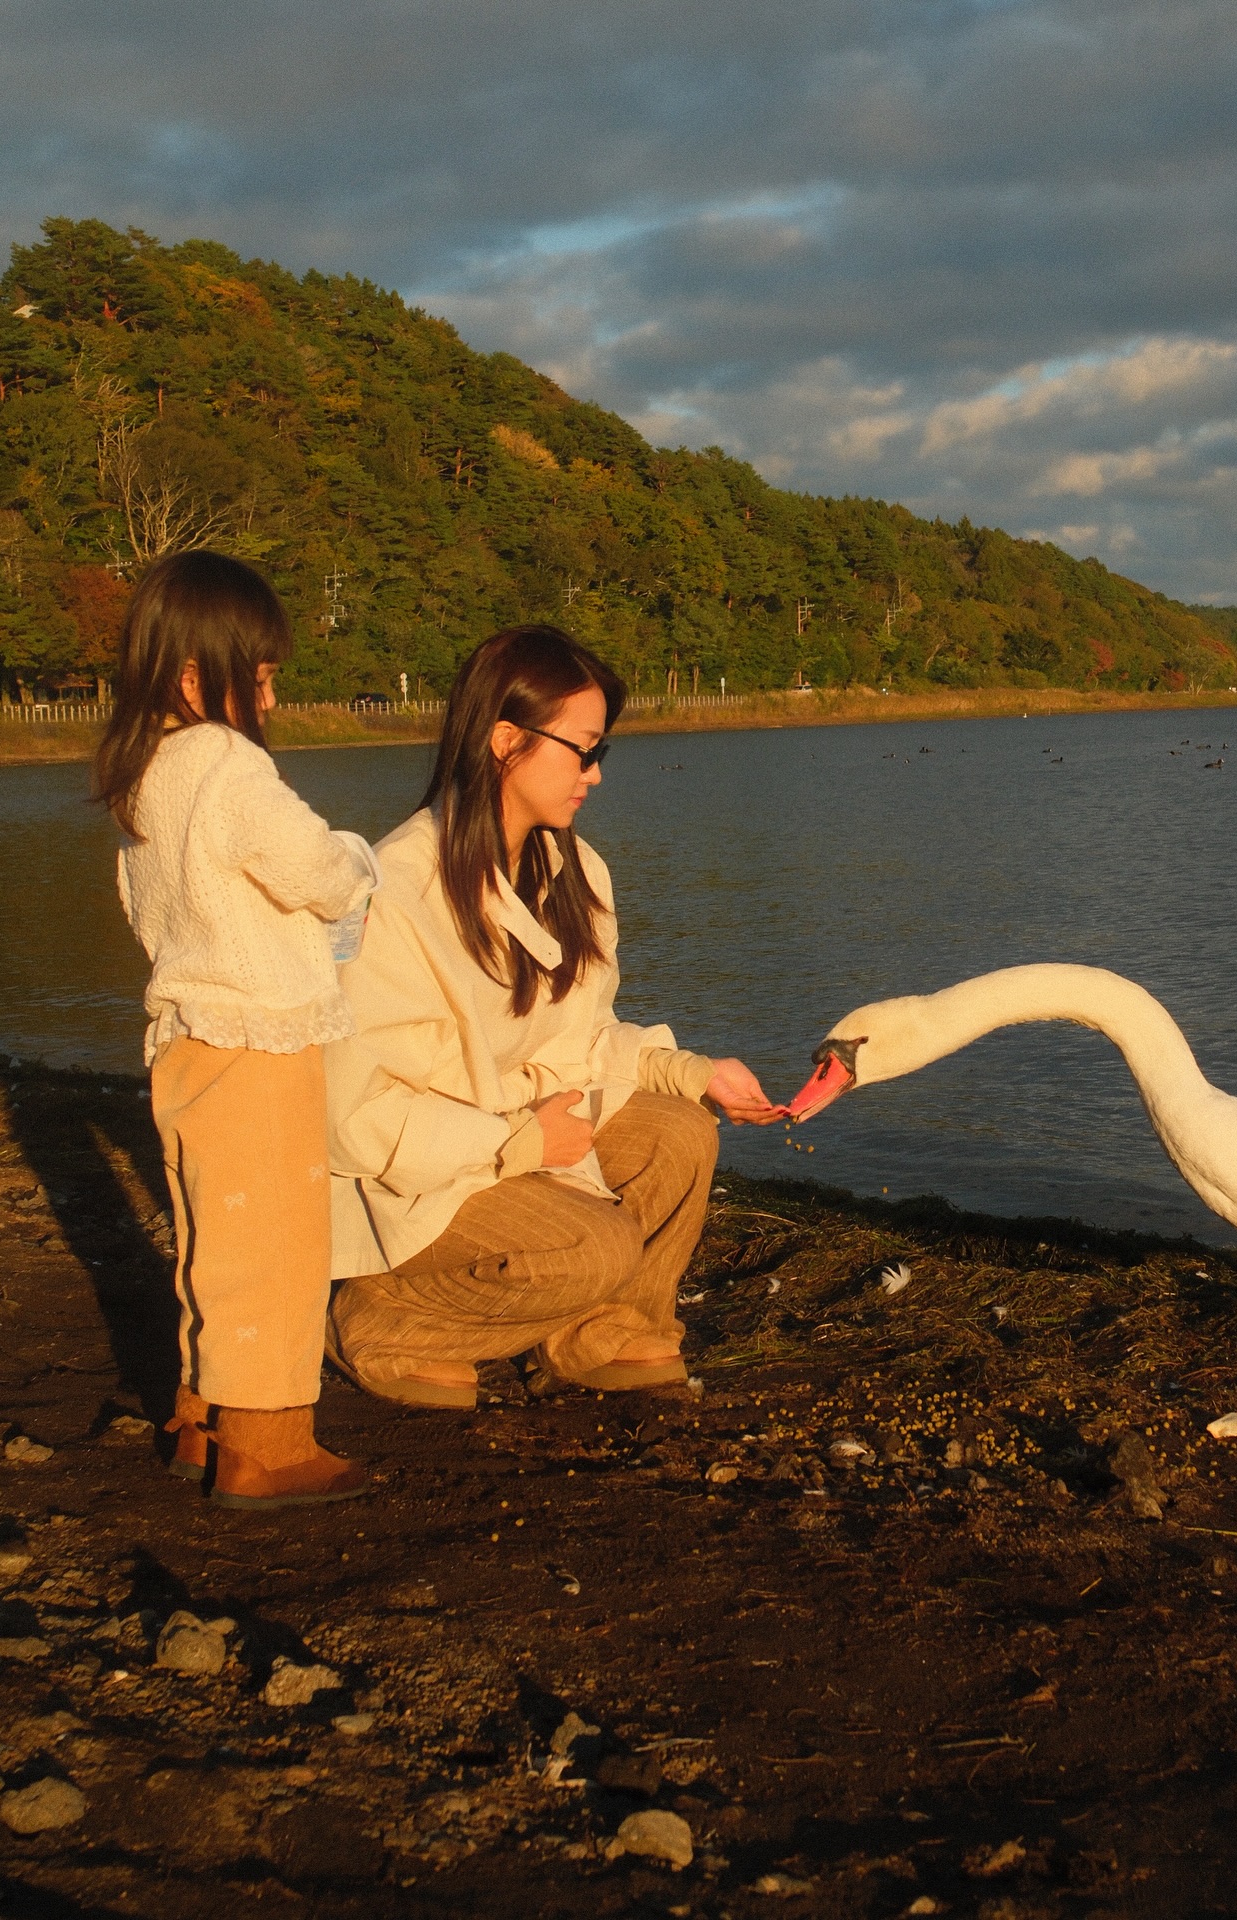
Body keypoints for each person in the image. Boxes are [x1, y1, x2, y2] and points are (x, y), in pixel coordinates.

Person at [324, 624, 780, 1408]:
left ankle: (601, 1329)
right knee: (593, 1245)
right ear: (506, 741)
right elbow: (353, 1117)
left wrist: (692, 1074)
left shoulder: (575, 870)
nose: (595, 776)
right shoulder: (393, 893)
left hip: (533, 1135)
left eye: (601, 752)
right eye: (584, 749)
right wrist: (517, 1144)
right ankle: (386, 1317)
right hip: (423, 1175)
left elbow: (585, 1039)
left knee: (683, 1135)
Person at [95, 550, 378, 1508]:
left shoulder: (144, 778)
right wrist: (358, 861)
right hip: (260, 1037)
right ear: (192, 675)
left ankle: (200, 1416)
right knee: (279, 1244)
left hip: (183, 1037)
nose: (269, 696)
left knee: (213, 1236)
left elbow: (144, 908)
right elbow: (313, 869)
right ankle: (267, 1441)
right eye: (257, 676)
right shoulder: (225, 762)